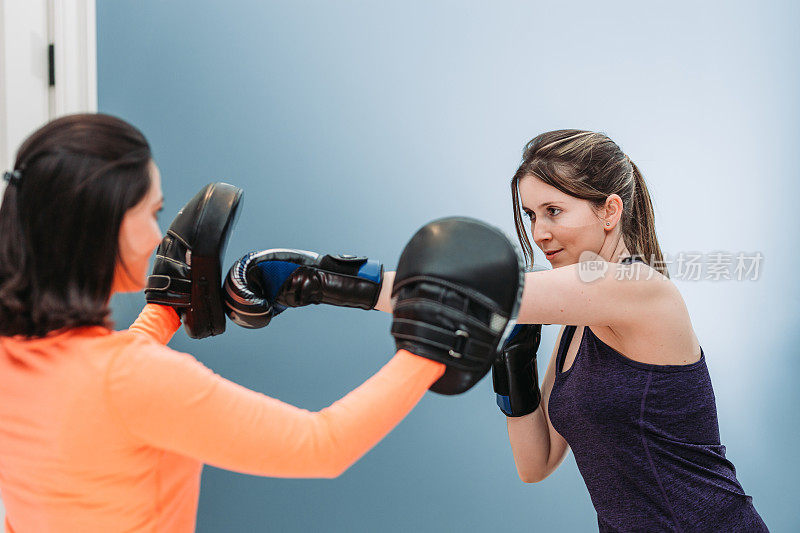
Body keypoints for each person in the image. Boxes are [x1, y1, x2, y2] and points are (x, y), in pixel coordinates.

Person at [0, 114, 518, 532]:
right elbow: (323, 445)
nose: (160, 235)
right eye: (152, 212)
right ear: (106, 226)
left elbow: (88, 405)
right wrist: (427, 346)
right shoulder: (132, 379)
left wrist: (165, 311)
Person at [493, 130, 768, 531]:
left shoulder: (638, 287)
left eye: (554, 210)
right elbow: (537, 462)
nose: (538, 234)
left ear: (609, 210)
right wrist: (515, 368)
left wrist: (373, 284)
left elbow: (486, 291)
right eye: (531, 215)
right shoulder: (577, 323)